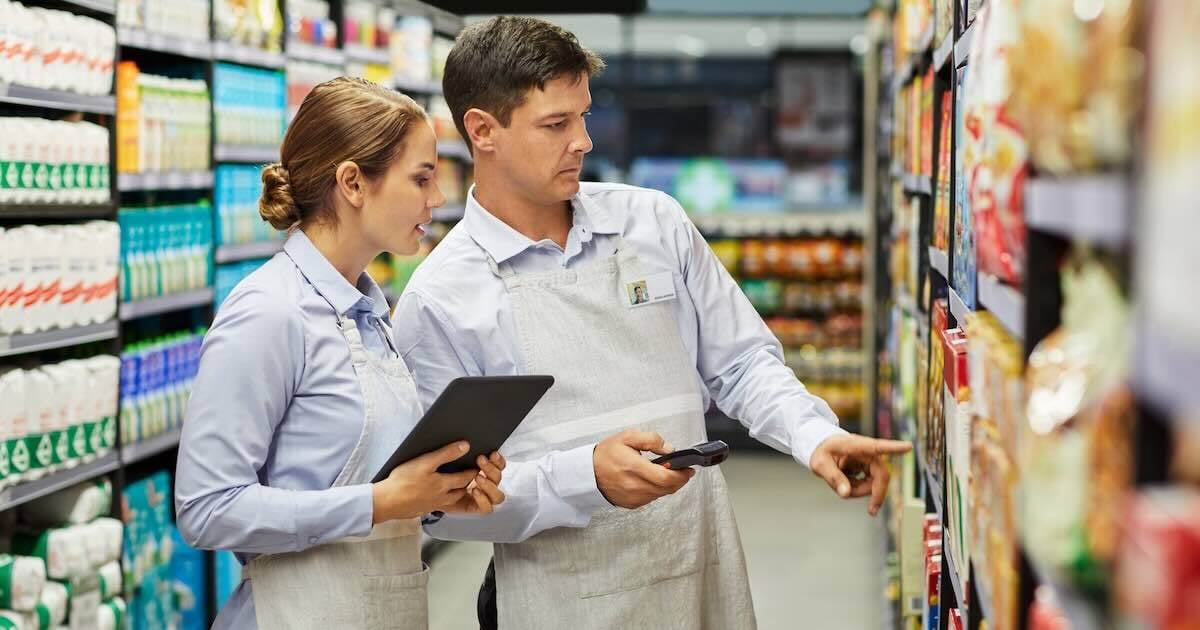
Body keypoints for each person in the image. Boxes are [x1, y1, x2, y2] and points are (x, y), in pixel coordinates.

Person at [394, 16, 912, 630]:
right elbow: (441, 504)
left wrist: (813, 434)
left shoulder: (652, 222)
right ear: (481, 131)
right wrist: (586, 478)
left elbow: (741, 363)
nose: (582, 140)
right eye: (556, 124)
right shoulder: (442, 296)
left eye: (583, 115)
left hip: (698, 570)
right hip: (560, 601)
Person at [174, 77, 507, 630]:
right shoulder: (268, 312)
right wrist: (379, 502)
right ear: (353, 182)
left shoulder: (371, 316)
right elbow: (206, 509)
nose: (438, 197)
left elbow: (358, 476)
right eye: (421, 178)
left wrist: (437, 493)